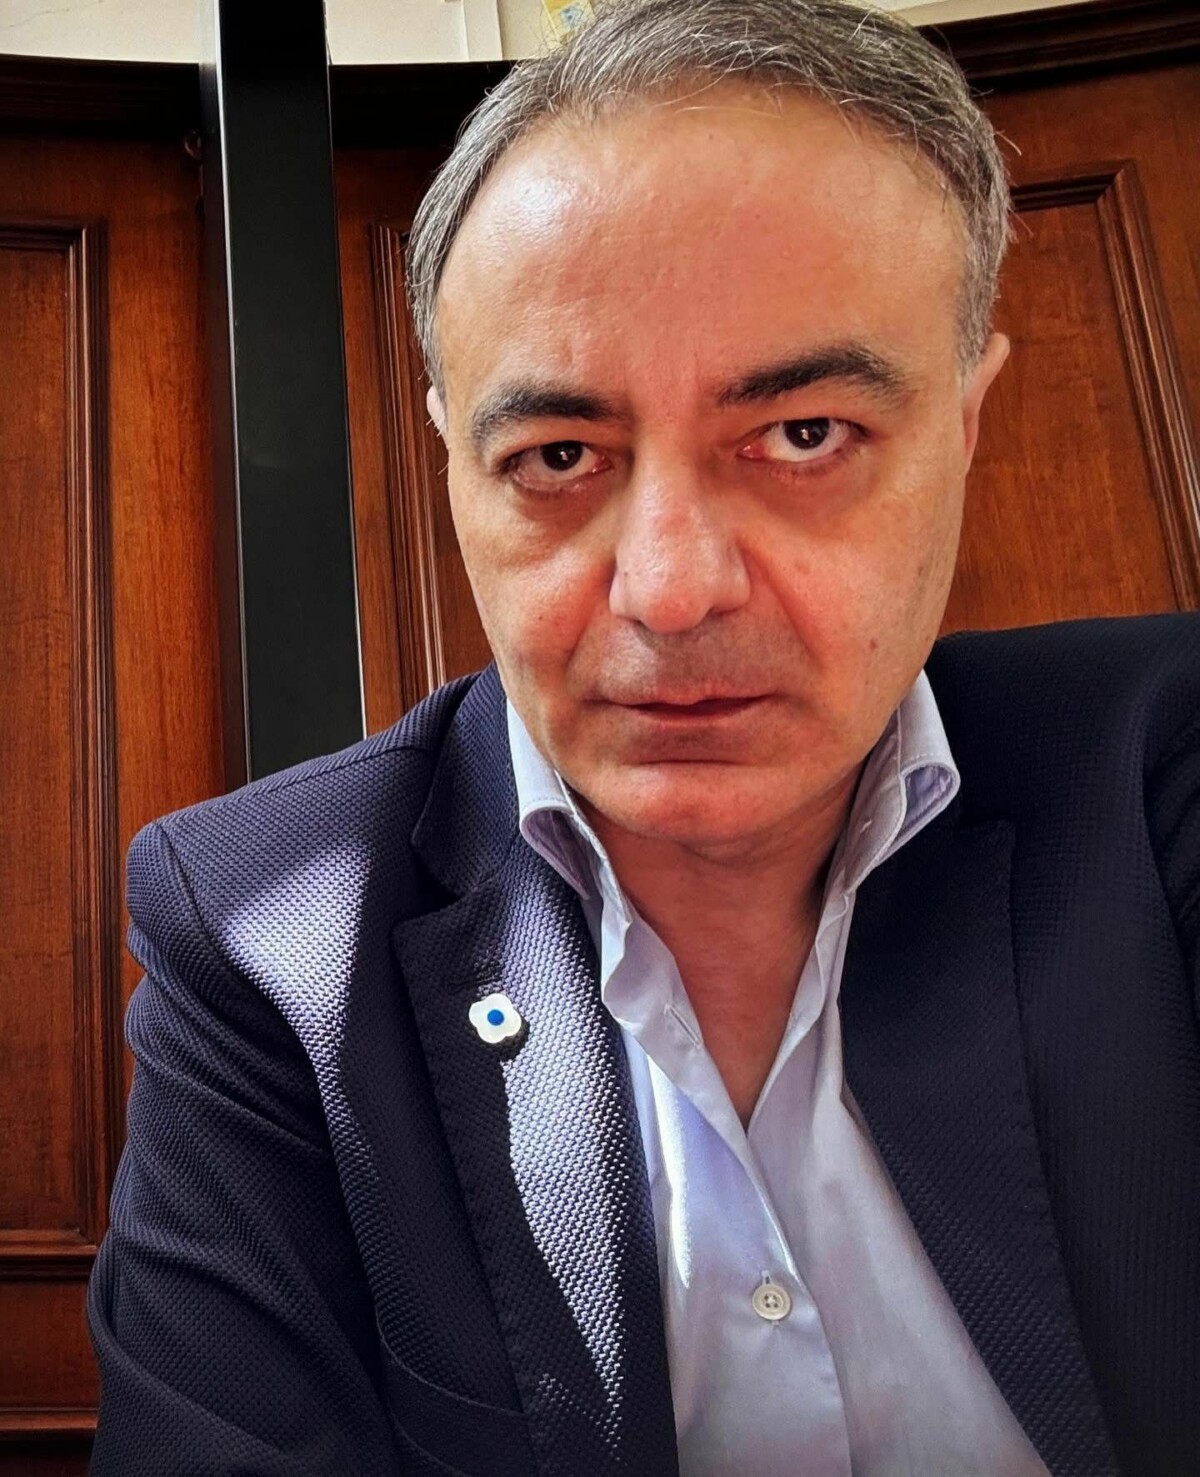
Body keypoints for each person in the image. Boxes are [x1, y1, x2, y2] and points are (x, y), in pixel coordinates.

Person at [87, 1, 1199, 1473]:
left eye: (803, 434)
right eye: (558, 456)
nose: (671, 590)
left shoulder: (1168, 778)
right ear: (454, 465)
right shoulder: (265, 937)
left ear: (966, 421)